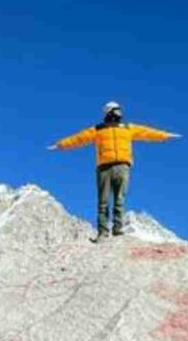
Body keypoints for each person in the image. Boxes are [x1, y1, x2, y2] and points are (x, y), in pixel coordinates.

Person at [49, 101, 180, 241]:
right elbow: (79, 138)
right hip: (104, 168)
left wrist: (164, 135)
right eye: (117, 111)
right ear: (109, 112)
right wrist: (61, 145)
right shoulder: (98, 130)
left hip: (123, 166)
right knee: (103, 202)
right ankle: (103, 232)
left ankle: (118, 229)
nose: (120, 114)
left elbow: (147, 133)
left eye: (120, 111)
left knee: (119, 200)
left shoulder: (128, 128)